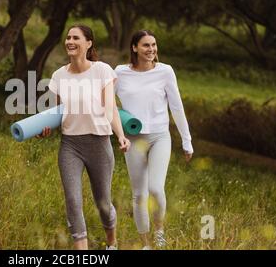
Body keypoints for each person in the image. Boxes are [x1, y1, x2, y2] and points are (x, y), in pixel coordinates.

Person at [38, 25, 130, 250]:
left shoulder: (102, 70)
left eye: (75, 38)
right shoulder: (59, 75)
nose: (69, 41)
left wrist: (120, 135)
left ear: (88, 44)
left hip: (99, 143)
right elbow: (60, 110)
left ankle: (112, 244)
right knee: (73, 200)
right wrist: (45, 126)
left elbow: (111, 108)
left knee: (103, 204)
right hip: (70, 144)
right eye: (68, 37)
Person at [115, 30, 193, 250]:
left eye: (154, 45)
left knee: (156, 189)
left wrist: (186, 141)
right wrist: (117, 132)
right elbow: (106, 103)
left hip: (160, 136)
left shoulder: (165, 71)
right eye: (146, 45)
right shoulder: (120, 73)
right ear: (134, 48)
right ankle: (145, 244)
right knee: (139, 194)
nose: (151, 49)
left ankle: (159, 232)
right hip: (132, 139)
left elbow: (176, 108)